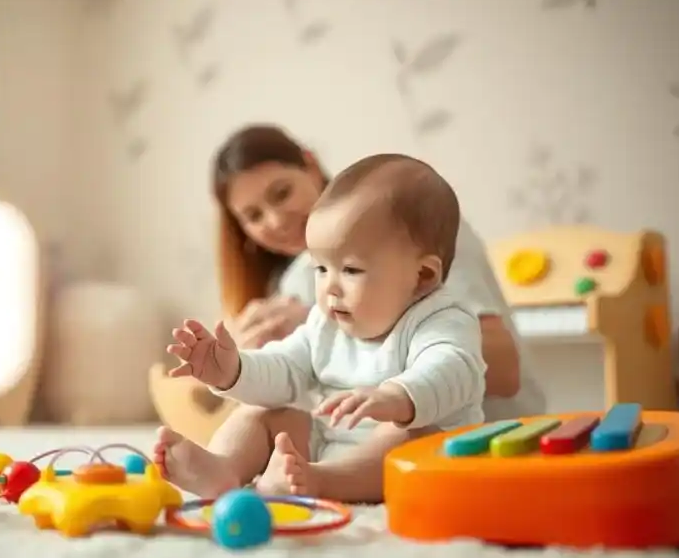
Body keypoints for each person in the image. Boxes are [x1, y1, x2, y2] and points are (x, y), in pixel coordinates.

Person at [155, 124, 546, 500]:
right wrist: (233, 369)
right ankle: (223, 469)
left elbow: (456, 365)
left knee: (406, 435)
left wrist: (399, 396)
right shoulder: (323, 316)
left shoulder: (437, 309)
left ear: (422, 274)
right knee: (260, 413)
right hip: (335, 438)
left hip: (423, 439)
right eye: (320, 269)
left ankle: (321, 480)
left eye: (352, 270)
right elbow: (285, 367)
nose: (328, 287)